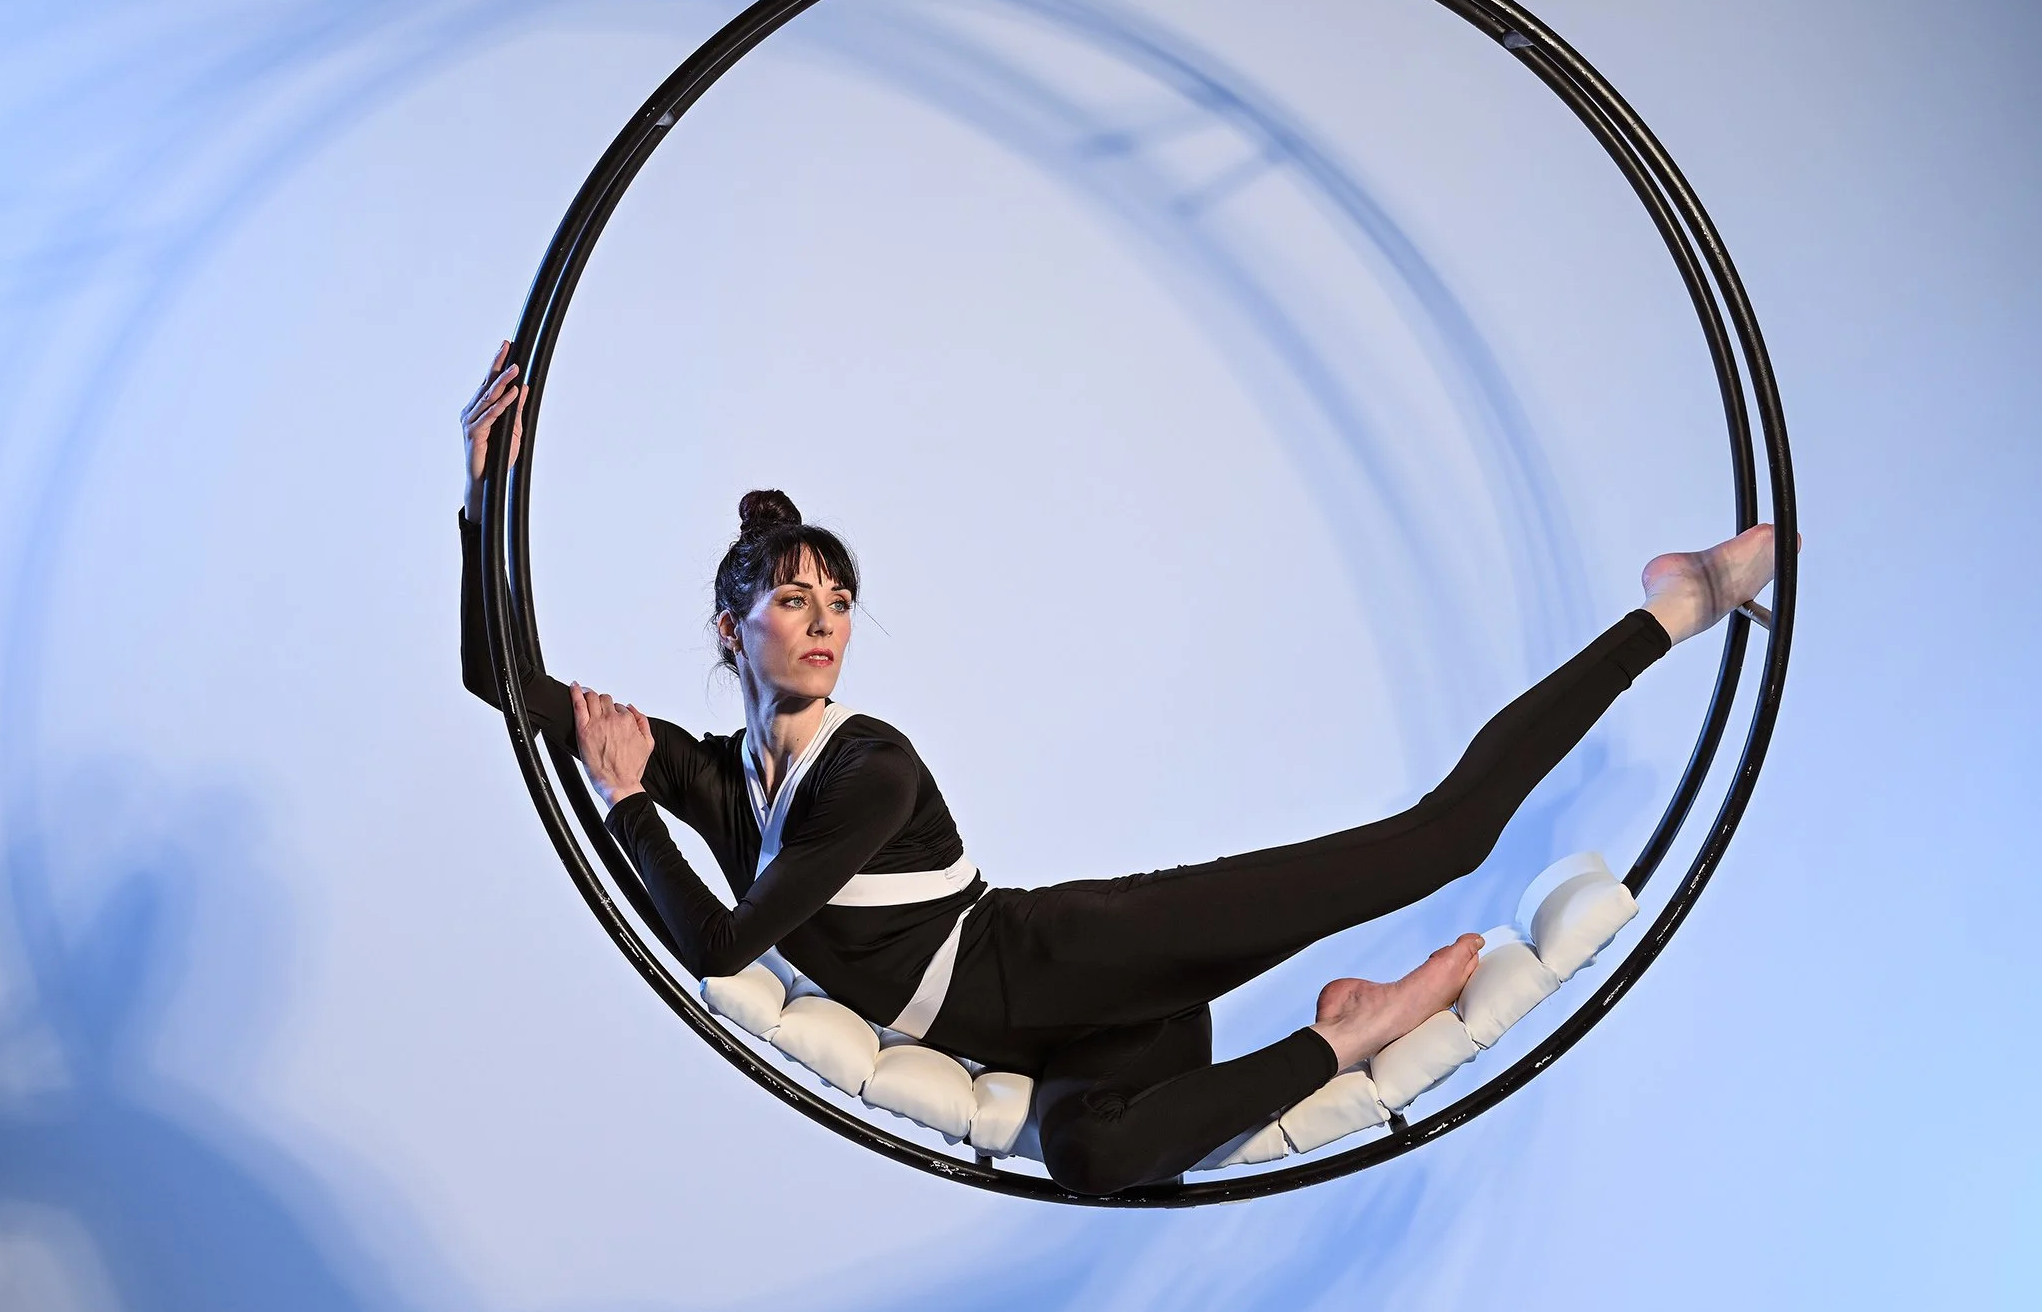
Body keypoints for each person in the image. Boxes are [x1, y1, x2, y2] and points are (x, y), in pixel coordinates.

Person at [456, 340, 1785, 1194]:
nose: (823, 624)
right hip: (1072, 1036)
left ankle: (1672, 607)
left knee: (1440, 839)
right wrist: (482, 493)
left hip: (1080, 953)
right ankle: (1344, 1030)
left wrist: (627, 804)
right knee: (1094, 1156)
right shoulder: (723, 776)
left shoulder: (868, 770)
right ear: (732, 626)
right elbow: (497, 678)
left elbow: (721, 941)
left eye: (839, 601)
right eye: (792, 600)